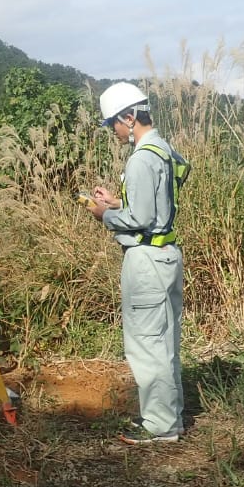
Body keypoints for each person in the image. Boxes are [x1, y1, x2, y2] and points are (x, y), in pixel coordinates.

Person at [83, 82, 190, 445]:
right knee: (166, 342)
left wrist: (104, 215)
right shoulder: (163, 151)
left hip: (146, 260)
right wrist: (116, 203)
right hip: (167, 254)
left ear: (130, 117)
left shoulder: (141, 157)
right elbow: (154, 209)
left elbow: (140, 220)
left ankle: (160, 426)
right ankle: (168, 419)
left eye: (114, 122)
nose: (113, 130)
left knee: (147, 344)